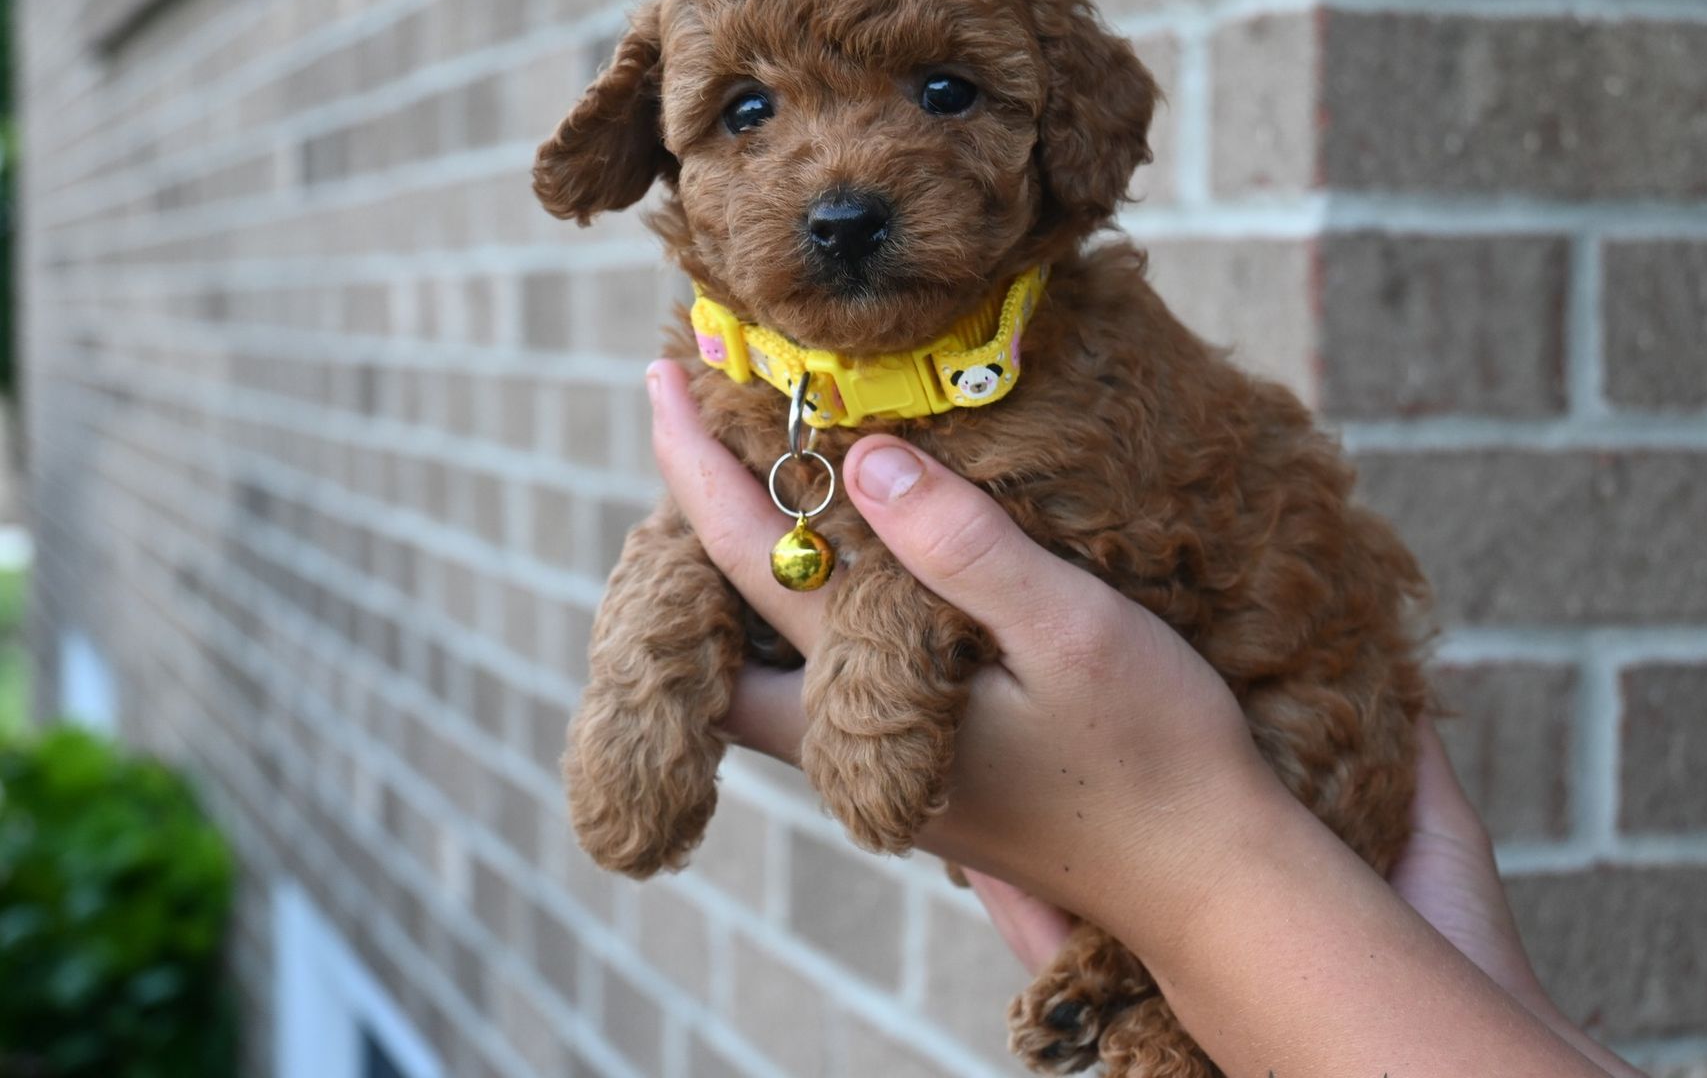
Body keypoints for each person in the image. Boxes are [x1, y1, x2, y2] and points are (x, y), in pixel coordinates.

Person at [645, 360, 1646, 1078]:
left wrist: (1180, 878)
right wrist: (1479, 988)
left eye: (946, 95)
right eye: (748, 111)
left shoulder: (1096, 388)